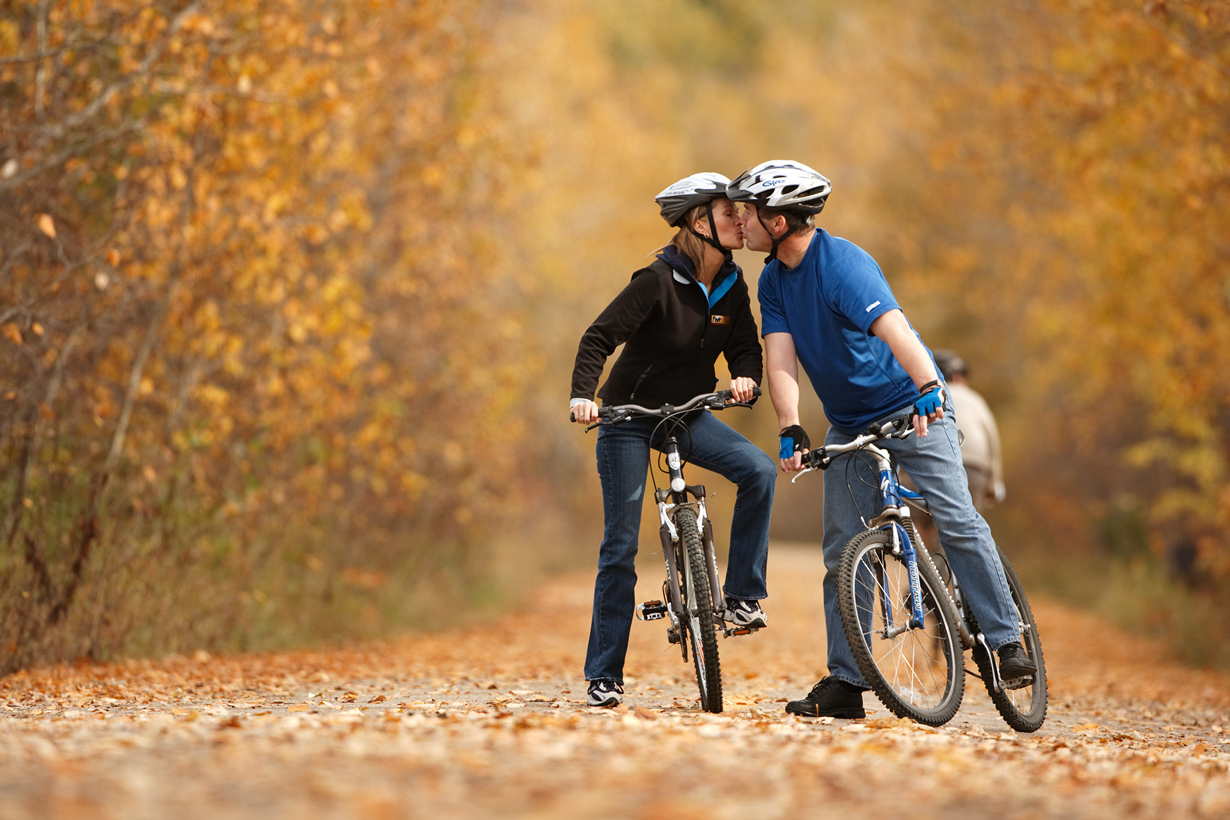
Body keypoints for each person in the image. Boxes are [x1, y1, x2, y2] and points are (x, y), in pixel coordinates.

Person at [727, 160, 1036, 719]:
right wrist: (791, 425)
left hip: (913, 407)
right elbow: (780, 360)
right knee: (843, 550)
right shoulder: (772, 279)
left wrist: (927, 387)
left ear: (779, 220)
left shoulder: (842, 264)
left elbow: (895, 330)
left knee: (957, 518)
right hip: (850, 424)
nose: (740, 222)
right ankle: (847, 682)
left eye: (749, 212)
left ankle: (1005, 640)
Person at [569, 172, 777, 709]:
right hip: (627, 418)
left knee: (758, 470)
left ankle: (742, 598)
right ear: (697, 221)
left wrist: (745, 378)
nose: (739, 220)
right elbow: (599, 337)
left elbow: (746, 350)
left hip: (686, 414)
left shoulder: (733, 284)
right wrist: (583, 396)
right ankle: (605, 674)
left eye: (739, 213)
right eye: (727, 212)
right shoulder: (657, 280)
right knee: (620, 546)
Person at [932, 350, 1005, 511]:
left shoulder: (925, 397)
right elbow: (992, 442)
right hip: (974, 467)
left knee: (920, 521)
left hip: (932, 462)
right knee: (970, 521)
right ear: (957, 377)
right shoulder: (976, 399)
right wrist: (994, 483)